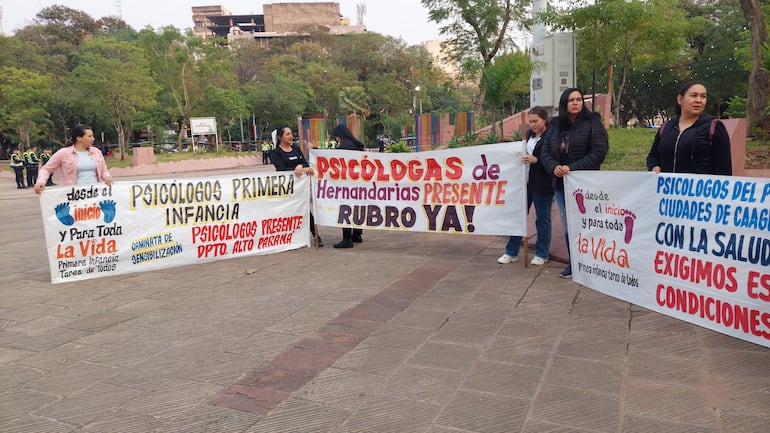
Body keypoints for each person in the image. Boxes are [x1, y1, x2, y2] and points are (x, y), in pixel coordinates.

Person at [540, 88, 609, 278]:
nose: (575, 103)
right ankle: (575, 263)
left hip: (586, 186)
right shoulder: (555, 125)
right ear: (564, 103)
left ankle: (595, 264)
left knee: (589, 225)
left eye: (578, 99)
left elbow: (598, 152)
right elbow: (545, 151)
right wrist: (554, 166)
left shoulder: (592, 122)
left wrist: (572, 168)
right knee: (570, 226)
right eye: (571, 100)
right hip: (562, 186)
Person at [498, 106, 554, 266]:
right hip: (524, 183)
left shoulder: (551, 137)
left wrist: (537, 160)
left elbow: (554, 157)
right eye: (530, 122)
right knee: (519, 216)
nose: (533, 125)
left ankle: (542, 253)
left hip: (542, 184)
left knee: (542, 219)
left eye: (536, 121)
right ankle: (511, 251)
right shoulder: (527, 135)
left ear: (544, 120)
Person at [646, 81, 732, 175]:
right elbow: (653, 156)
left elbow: (724, 168)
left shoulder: (714, 127)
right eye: (694, 95)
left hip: (700, 188)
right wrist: (654, 166)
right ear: (680, 99)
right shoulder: (666, 127)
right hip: (668, 188)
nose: (699, 100)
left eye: (703, 96)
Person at [270, 126, 323, 247]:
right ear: (280, 137)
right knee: (286, 213)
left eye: (291, 134)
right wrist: (297, 169)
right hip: (285, 188)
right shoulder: (275, 153)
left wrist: (302, 167)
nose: (290, 136)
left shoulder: (295, 149)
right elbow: (282, 169)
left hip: (299, 189)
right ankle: (285, 239)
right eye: (287, 134)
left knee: (306, 212)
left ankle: (316, 237)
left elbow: (304, 163)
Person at [34, 124, 113, 194]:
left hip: (95, 193)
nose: (93, 139)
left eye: (93, 136)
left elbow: (104, 170)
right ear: (79, 138)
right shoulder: (64, 153)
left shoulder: (96, 152)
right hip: (73, 195)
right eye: (89, 136)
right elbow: (46, 169)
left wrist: (107, 177)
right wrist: (41, 182)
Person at [331, 124, 365, 248]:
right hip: (358, 182)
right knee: (356, 209)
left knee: (345, 209)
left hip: (347, 183)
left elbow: (330, 159)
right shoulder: (357, 145)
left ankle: (347, 238)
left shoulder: (344, 146)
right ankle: (357, 234)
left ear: (339, 136)